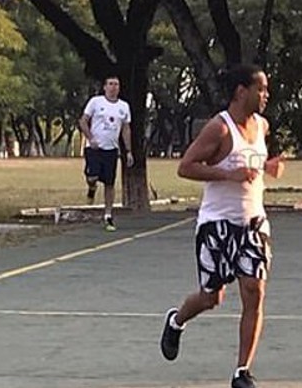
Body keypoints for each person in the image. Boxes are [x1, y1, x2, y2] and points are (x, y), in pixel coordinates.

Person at [159, 64, 285, 388]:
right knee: (211, 297)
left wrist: (267, 166)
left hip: (253, 223)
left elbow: (249, 163)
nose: (266, 95)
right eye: (261, 89)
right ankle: (176, 320)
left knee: (254, 291)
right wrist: (227, 175)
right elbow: (186, 167)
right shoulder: (219, 128)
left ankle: (242, 371)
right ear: (241, 91)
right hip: (217, 225)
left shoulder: (262, 126)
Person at [78, 74, 134, 231]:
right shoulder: (96, 102)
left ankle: (108, 215)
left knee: (109, 183)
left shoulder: (124, 106)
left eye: (116, 84)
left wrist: (128, 151)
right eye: (110, 84)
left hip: (111, 150)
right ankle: (92, 188)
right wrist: (91, 138)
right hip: (95, 148)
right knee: (92, 176)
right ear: (104, 87)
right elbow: (83, 121)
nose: (113, 87)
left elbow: (126, 129)